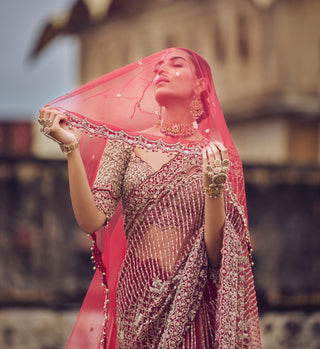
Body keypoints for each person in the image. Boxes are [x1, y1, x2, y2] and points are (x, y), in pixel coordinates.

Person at [38, 48, 261, 348]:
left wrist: (213, 188)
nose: (161, 71)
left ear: (201, 85)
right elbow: (90, 220)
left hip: (192, 300)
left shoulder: (215, 156)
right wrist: (71, 149)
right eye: (158, 67)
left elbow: (216, 256)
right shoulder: (126, 145)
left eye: (176, 64)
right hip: (137, 298)